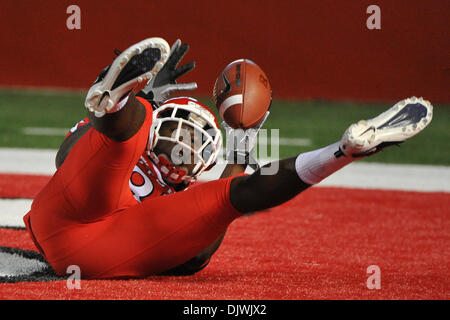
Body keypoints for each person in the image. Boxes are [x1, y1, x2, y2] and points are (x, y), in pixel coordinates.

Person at [23, 37, 433, 279]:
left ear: (199, 164)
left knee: (224, 199)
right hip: (82, 221)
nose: (184, 143)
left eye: (194, 139)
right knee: (129, 138)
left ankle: (343, 149)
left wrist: (239, 146)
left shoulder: (176, 194)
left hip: (102, 237)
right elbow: (67, 161)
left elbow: (198, 252)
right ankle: (115, 102)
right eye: (182, 130)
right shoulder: (138, 142)